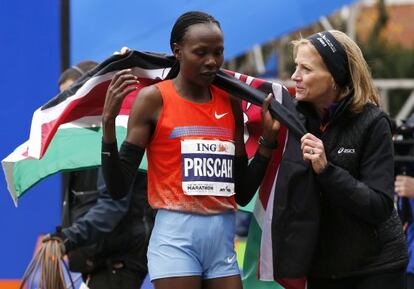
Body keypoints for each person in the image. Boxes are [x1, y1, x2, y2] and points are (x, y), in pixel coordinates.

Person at [100, 11, 279, 289]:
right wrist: (108, 125)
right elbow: (118, 187)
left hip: (222, 244)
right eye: (200, 52)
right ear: (178, 51)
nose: (211, 61)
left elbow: (242, 192)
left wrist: (267, 141)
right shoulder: (154, 99)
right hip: (175, 241)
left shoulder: (230, 101)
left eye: (218, 52)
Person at [287, 30, 407, 288]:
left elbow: (379, 205)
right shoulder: (292, 119)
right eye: (296, 66)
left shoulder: (373, 123)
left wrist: (326, 170)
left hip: (376, 268)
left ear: (335, 78)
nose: (295, 76)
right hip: (322, 268)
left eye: (306, 69)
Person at [45, 61, 154, 289]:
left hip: (117, 264)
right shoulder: (86, 144)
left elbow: (112, 207)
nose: (67, 103)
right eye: (63, 96)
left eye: (74, 93)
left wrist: (67, 239)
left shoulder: (113, 138)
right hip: (98, 265)